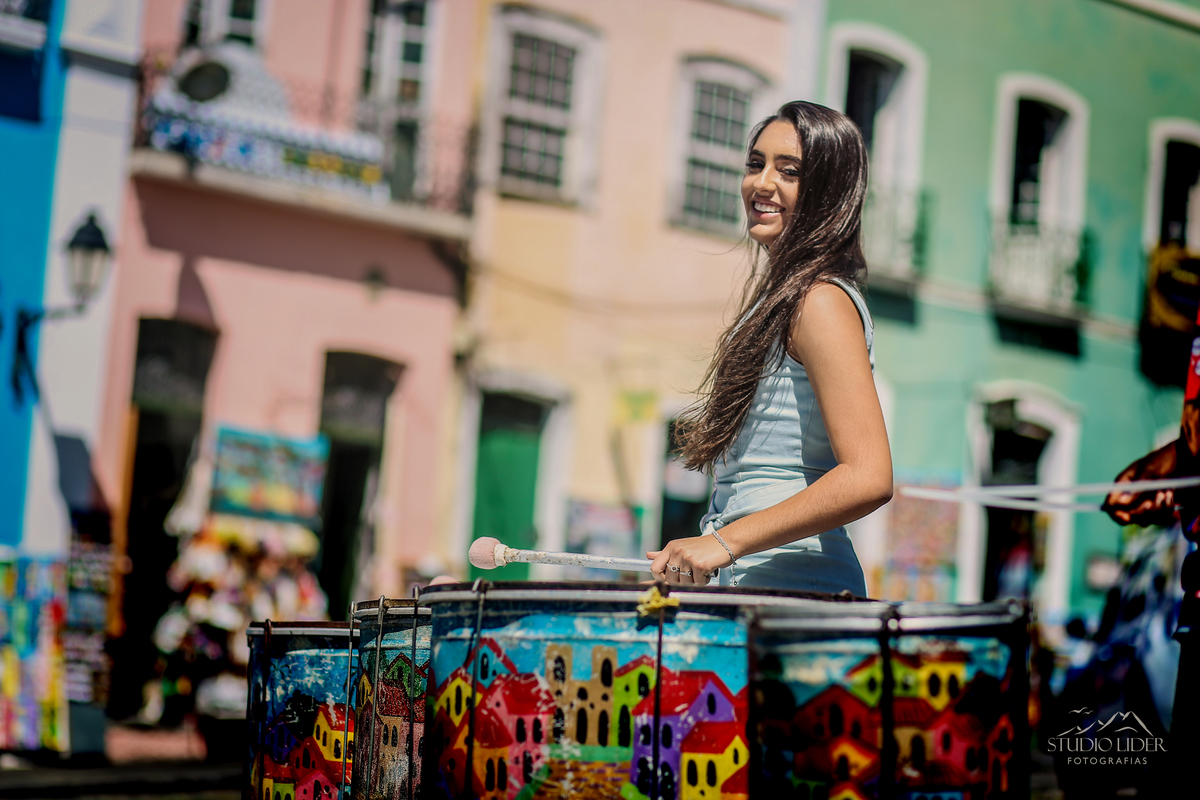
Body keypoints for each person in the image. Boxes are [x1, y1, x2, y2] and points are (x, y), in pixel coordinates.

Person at [648, 101, 893, 593]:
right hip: (757, 586)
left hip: (795, 596)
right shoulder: (784, 301)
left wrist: (725, 542)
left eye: (790, 172)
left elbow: (869, 475)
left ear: (830, 194)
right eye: (755, 164)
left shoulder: (820, 301)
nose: (762, 183)